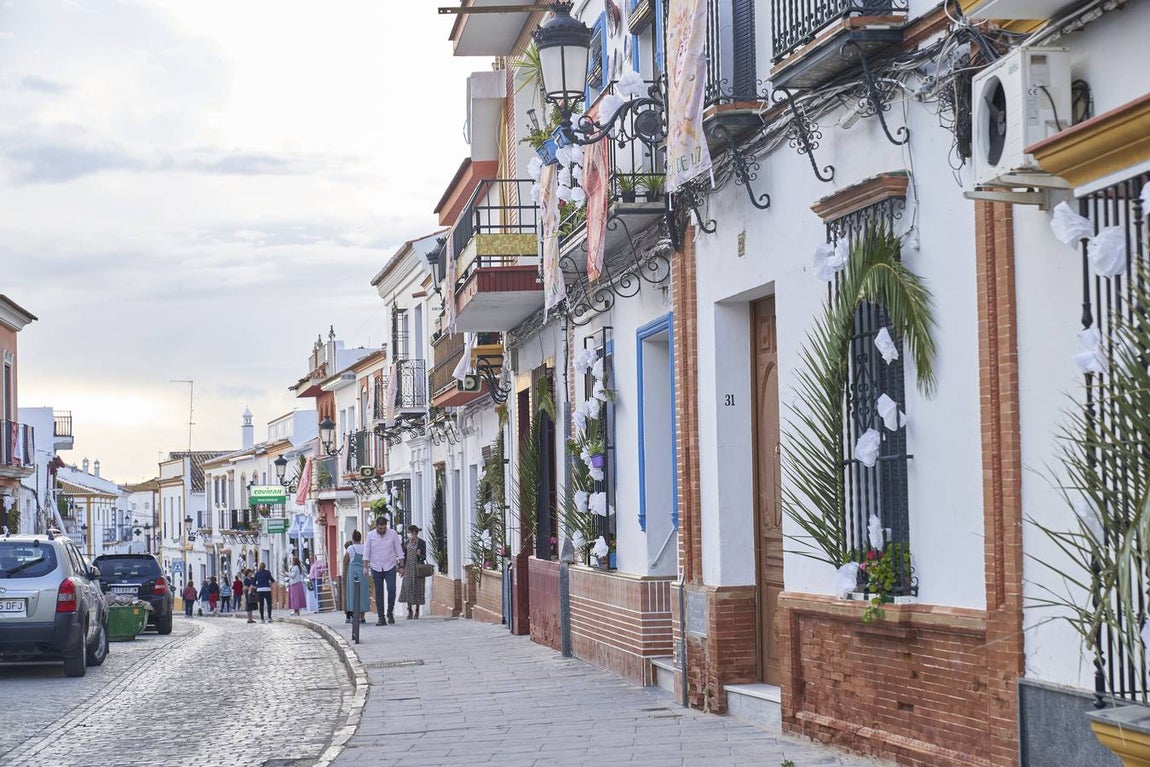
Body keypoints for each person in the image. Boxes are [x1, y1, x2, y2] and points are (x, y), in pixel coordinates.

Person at [364, 515, 404, 625]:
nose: (382, 530)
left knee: (392, 589)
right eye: (380, 528)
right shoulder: (370, 535)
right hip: (376, 567)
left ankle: (390, 612)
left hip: (390, 566)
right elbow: (366, 552)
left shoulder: (393, 534)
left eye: (384, 528)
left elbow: (399, 551)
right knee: (379, 592)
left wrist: (402, 567)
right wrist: (365, 567)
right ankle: (381, 617)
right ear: (376, 526)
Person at [345, 531, 369, 643]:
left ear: (353, 539)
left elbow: (346, 559)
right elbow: (367, 559)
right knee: (363, 593)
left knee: (353, 593)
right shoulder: (365, 547)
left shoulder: (350, 549)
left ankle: (355, 616)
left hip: (353, 571)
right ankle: (362, 616)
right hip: (363, 571)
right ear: (360, 538)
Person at [399, 525, 428, 619]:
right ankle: (409, 610)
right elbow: (403, 556)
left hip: (417, 569)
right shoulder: (407, 543)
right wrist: (401, 567)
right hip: (408, 568)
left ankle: (417, 611)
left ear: (415, 533)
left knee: (418, 588)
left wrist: (420, 554)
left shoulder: (422, 543)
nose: (410, 535)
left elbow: (424, 557)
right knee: (408, 588)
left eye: (411, 533)